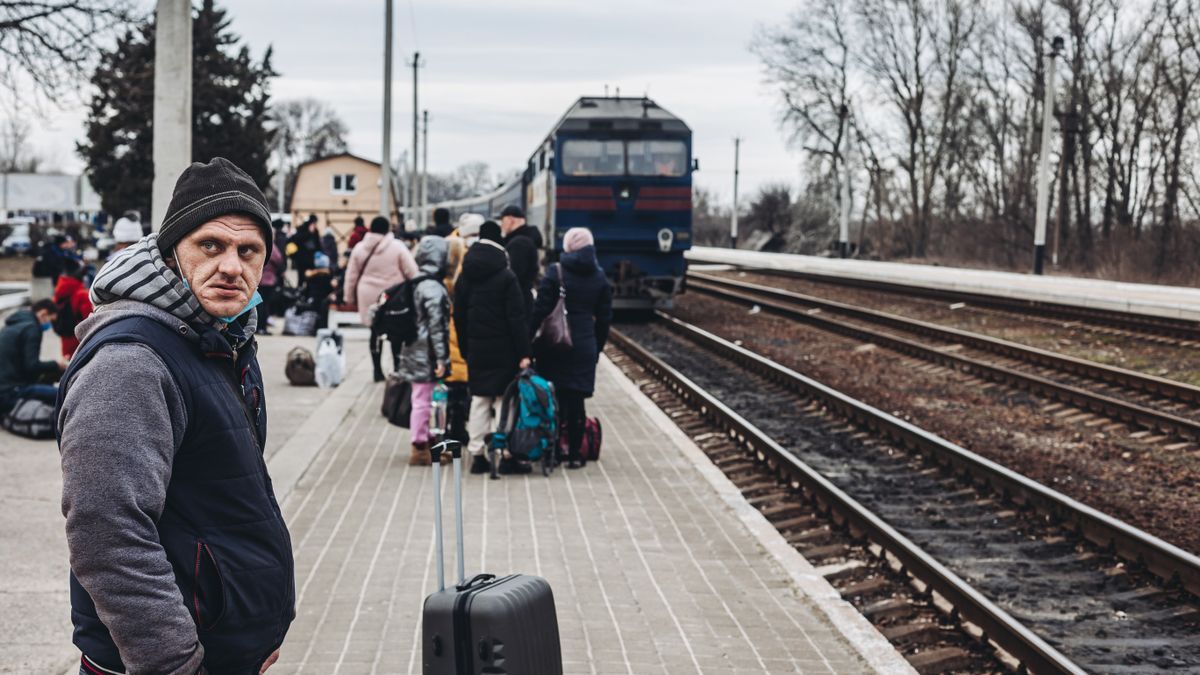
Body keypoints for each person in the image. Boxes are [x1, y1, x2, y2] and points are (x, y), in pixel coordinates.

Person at [56, 157, 294, 675]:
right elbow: (108, 533)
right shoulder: (132, 362)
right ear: (171, 253)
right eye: (211, 245)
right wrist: (175, 662)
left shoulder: (222, 338)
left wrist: (253, 629)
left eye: (248, 250)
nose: (232, 265)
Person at [529, 228, 613, 469]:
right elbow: (605, 319)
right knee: (577, 401)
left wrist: (528, 341)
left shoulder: (556, 272)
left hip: (554, 344)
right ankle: (575, 454)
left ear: (567, 246)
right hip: (584, 345)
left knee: (554, 400)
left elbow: (540, 310)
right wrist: (596, 348)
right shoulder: (599, 277)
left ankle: (554, 451)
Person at [453, 221, 531, 474]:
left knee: (479, 400)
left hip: (476, 349)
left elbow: (459, 317)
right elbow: (516, 319)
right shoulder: (507, 277)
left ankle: (477, 455)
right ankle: (503, 452)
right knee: (502, 401)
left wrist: (465, 348)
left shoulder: (465, 276)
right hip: (504, 349)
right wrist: (524, 353)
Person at [344, 215, 420, 381]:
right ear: (388, 229)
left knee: (374, 331)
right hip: (393, 296)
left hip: (367, 295)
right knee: (395, 333)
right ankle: (397, 369)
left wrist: (348, 296)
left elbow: (351, 275)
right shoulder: (397, 247)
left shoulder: (359, 247)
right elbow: (412, 272)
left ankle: (377, 371)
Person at [397, 236, 451, 466]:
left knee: (423, 398)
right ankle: (419, 445)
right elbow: (437, 328)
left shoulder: (416, 280)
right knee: (422, 400)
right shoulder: (433, 287)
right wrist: (441, 357)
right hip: (425, 353)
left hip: (413, 349)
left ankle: (427, 442)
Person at [443, 213, 485, 449]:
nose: (475, 239)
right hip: (456, 324)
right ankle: (457, 431)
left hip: (462, 324)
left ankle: (457, 430)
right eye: (473, 234)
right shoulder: (452, 250)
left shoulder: (459, 249)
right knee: (458, 386)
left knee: (459, 386)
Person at [0, 299, 63, 415]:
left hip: (6, 387)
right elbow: (32, 366)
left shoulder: (12, 324)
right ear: (43, 313)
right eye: (51, 320)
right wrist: (57, 364)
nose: (50, 325)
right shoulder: (32, 328)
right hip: (10, 393)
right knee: (63, 396)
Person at [498, 204, 542, 318]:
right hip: (523, 300)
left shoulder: (519, 244)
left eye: (502, 220)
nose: (501, 225)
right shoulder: (525, 239)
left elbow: (514, 275)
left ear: (511, 220)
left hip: (517, 303)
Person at [52, 259, 94, 358]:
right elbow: (89, 320)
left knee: (69, 364)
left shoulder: (58, 291)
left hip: (65, 337)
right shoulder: (82, 294)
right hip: (80, 340)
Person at [258, 231, 286, 334]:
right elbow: (279, 259)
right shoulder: (272, 247)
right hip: (268, 281)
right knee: (265, 306)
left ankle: (259, 327)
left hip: (259, 280)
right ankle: (262, 327)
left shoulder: (260, 245)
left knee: (259, 305)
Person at [305, 251, 336, 330]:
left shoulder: (311, 276)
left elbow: (307, 290)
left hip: (313, 300)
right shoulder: (329, 276)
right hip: (324, 301)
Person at [286, 214, 320, 288]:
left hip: (311, 258)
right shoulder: (301, 229)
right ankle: (300, 292)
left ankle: (308, 293)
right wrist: (309, 233)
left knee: (310, 278)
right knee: (301, 277)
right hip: (301, 258)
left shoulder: (315, 231)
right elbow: (297, 240)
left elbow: (317, 243)